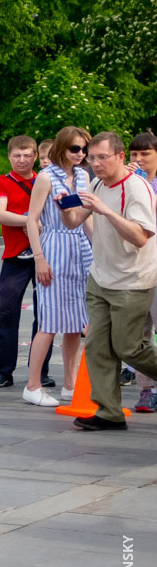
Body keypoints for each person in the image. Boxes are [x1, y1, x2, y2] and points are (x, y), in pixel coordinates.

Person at [73, 132, 157, 432]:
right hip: (100, 277)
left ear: (120, 157)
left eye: (102, 157)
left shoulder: (137, 188)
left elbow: (140, 237)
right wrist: (67, 208)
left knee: (129, 348)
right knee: (97, 347)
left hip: (132, 281)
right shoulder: (97, 184)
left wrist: (105, 210)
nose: (95, 163)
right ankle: (109, 412)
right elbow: (73, 221)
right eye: (91, 158)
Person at [22, 126, 90, 407]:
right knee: (49, 321)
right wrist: (39, 257)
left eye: (84, 149)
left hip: (80, 250)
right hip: (53, 247)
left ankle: (70, 385)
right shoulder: (46, 176)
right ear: (62, 148)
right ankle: (32, 385)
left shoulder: (84, 175)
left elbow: (86, 217)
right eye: (75, 148)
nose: (81, 153)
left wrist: (97, 249)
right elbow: (32, 218)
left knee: (75, 323)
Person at [0, 136, 41, 389]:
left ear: (35, 156)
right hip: (14, 256)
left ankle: (40, 371)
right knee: (6, 311)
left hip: (44, 255)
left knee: (44, 315)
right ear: (9, 156)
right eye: (17, 155)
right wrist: (32, 222)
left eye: (27, 155)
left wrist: (31, 222)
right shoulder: (1, 182)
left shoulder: (44, 180)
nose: (22, 160)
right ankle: (2, 371)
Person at [129, 132, 157, 413]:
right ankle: (147, 389)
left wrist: (145, 187)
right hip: (135, 267)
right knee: (139, 331)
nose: (139, 159)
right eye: (134, 154)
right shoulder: (126, 183)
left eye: (145, 154)